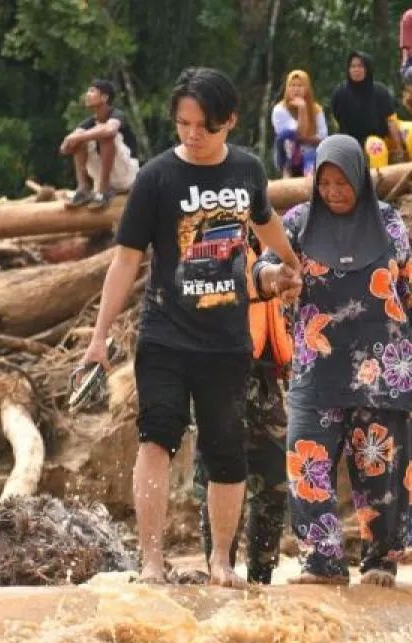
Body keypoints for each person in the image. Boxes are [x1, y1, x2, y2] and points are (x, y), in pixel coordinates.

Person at [82, 67, 303, 588]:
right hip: (165, 335)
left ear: (228, 121)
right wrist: (98, 336)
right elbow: (125, 260)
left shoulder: (247, 170)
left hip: (228, 341)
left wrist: (291, 261)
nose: (192, 134)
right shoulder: (156, 178)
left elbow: (265, 219)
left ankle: (221, 562)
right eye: (183, 123)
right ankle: (153, 561)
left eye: (203, 125)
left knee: (227, 449)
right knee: (157, 436)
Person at [255, 134, 412, 587]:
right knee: (306, 460)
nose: (334, 191)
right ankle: (323, 562)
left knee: (382, 470)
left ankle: (380, 560)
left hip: (384, 369)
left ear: (359, 179)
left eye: (343, 182)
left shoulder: (388, 222)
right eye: (325, 182)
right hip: (318, 368)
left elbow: (410, 288)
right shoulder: (297, 223)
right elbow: (264, 265)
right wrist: (275, 276)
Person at [192, 243, 290, 586]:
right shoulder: (205, 244)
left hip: (266, 376)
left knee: (276, 482)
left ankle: (261, 577)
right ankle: (220, 570)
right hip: (219, 372)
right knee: (216, 473)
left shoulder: (272, 245)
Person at [330, 51, 412, 169]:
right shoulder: (340, 93)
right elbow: (338, 122)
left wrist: (399, 148)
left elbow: (391, 120)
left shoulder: (380, 90)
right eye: (353, 66)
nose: (356, 69)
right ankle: (379, 183)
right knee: (376, 147)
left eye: (360, 66)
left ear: (368, 68)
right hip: (362, 139)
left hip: (386, 133)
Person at [61, 78, 140, 210]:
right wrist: (73, 140)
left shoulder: (117, 115)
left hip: (126, 177)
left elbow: (109, 130)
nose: (87, 95)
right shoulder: (87, 123)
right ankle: (83, 189)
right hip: (99, 180)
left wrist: (78, 136)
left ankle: (104, 191)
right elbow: (64, 149)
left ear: (104, 97)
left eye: (92, 91)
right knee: (80, 141)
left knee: (106, 135)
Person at [271, 70, 328, 177]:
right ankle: (287, 174)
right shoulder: (279, 109)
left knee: (310, 152)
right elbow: (297, 134)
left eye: (300, 85)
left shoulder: (316, 109)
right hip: (288, 154)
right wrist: (302, 109)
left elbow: (323, 136)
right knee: (286, 135)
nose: (296, 89)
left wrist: (305, 139)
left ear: (307, 89)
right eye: (292, 86)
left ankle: (310, 178)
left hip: (311, 151)